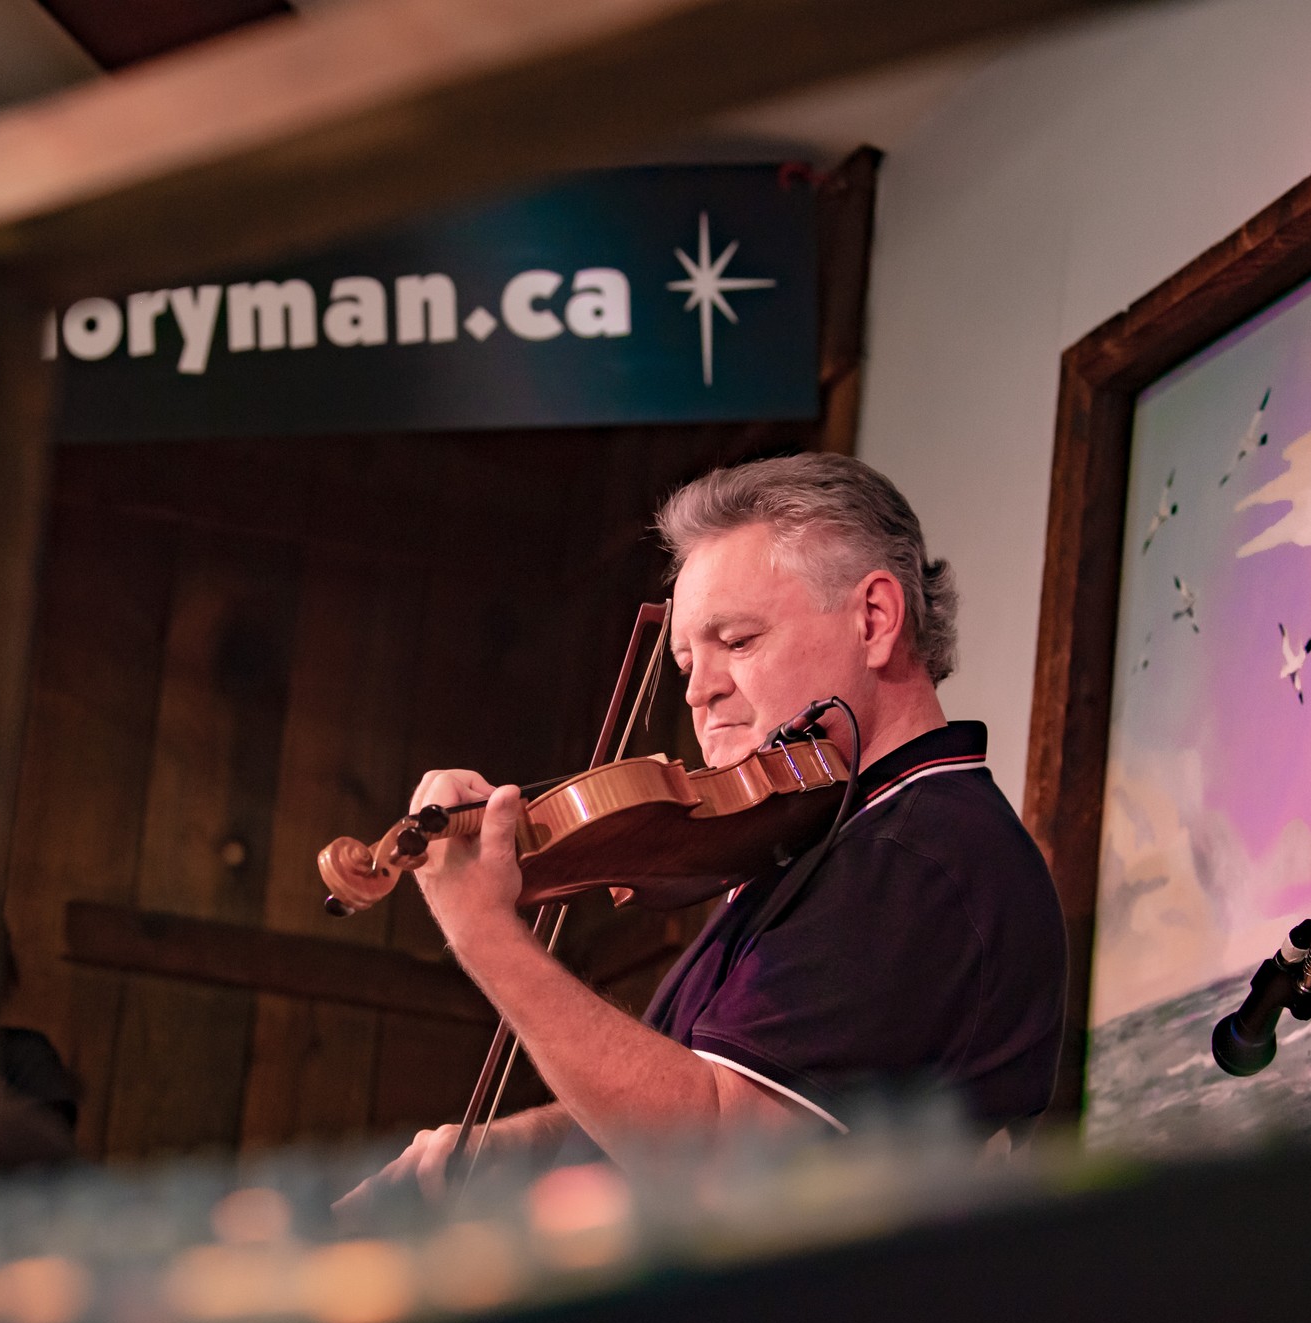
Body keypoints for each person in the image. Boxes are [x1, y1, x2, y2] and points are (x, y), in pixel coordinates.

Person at [350, 453, 1065, 1204]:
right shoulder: (814, 842)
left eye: (738, 640)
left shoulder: (915, 857)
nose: (699, 690)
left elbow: (722, 1152)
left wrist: (486, 935)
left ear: (875, 619)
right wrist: (514, 1147)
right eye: (687, 658)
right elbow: (704, 1096)